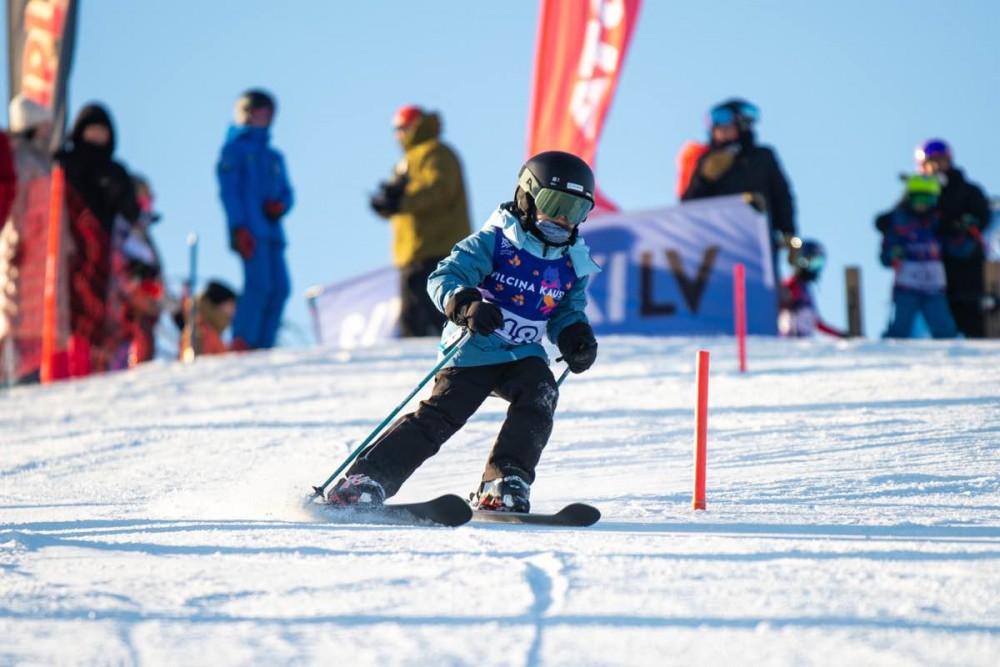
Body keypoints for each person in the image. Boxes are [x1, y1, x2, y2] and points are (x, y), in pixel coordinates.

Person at [329, 151, 601, 512]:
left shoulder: (573, 263)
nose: (564, 219)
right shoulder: (496, 241)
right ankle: (365, 479)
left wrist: (574, 336)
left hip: (522, 353)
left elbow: (566, 311)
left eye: (577, 210)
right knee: (442, 415)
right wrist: (467, 306)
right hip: (475, 347)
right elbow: (445, 276)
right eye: (555, 204)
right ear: (527, 197)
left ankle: (505, 480)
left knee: (541, 393)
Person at [369, 105, 471, 337]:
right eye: (396, 130)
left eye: (402, 128)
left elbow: (439, 189)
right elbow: (405, 201)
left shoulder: (435, 153)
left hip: (437, 246)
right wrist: (386, 204)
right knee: (414, 315)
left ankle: (437, 351)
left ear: (414, 126)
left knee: (429, 314)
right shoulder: (408, 160)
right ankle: (426, 350)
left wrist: (401, 200)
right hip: (415, 250)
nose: (398, 135)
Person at [56, 103, 141, 375]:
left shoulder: (115, 171)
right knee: (67, 309)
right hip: (68, 248)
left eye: (102, 130)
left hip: (102, 249)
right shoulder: (66, 163)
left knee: (98, 311)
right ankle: (63, 366)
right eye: (91, 128)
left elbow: (131, 213)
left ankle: (92, 367)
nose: (96, 134)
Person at [681, 98, 798, 275]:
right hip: (718, 247)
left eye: (724, 121)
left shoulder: (762, 157)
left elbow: (783, 198)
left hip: (758, 245)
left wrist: (792, 238)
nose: (717, 128)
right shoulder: (706, 161)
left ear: (742, 124)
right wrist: (704, 179)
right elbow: (687, 206)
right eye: (714, 124)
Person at [216, 89, 293, 350]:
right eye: (258, 112)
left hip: (273, 232)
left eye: (267, 114)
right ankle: (244, 340)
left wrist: (281, 205)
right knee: (259, 285)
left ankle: (264, 343)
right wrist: (238, 227)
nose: (263, 118)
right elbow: (230, 192)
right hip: (251, 230)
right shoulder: (235, 150)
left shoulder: (274, 157)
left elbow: (287, 191)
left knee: (280, 287)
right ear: (245, 114)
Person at [0, 94, 55, 383]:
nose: (48, 131)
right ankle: (13, 379)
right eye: (44, 125)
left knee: (34, 322)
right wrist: (18, 238)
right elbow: (16, 204)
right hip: (23, 249)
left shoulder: (41, 159)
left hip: (41, 251)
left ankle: (28, 376)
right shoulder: (21, 157)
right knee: (16, 317)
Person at [914, 139, 991, 338]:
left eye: (941, 161)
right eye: (932, 162)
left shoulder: (966, 188)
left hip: (965, 259)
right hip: (931, 261)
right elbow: (899, 217)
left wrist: (969, 223)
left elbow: (982, 214)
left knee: (970, 307)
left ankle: (977, 344)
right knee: (937, 310)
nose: (937, 166)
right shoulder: (918, 192)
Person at [876, 175, 956, 339]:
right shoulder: (898, 220)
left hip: (934, 285)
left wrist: (961, 234)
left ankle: (954, 352)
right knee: (900, 328)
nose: (923, 204)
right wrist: (892, 253)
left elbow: (958, 249)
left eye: (928, 199)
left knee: (944, 329)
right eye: (919, 199)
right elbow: (886, 255)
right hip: (907, 284)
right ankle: (890, 351)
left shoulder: (940, 221)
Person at [778, 239, 847, 338]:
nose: (815, 269)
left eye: (819, 265)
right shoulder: (792, 285)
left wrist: (841, 335)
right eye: (813, 264)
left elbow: (816, 322)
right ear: (802, 261)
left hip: (803, 342)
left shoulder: (806, 289)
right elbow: (777, 307)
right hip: (788, 340)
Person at [179, 280, 238, 357]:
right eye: (231, 305)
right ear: (220, 305)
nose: (234, 311)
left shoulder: (206, 328)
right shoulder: (203, 332)